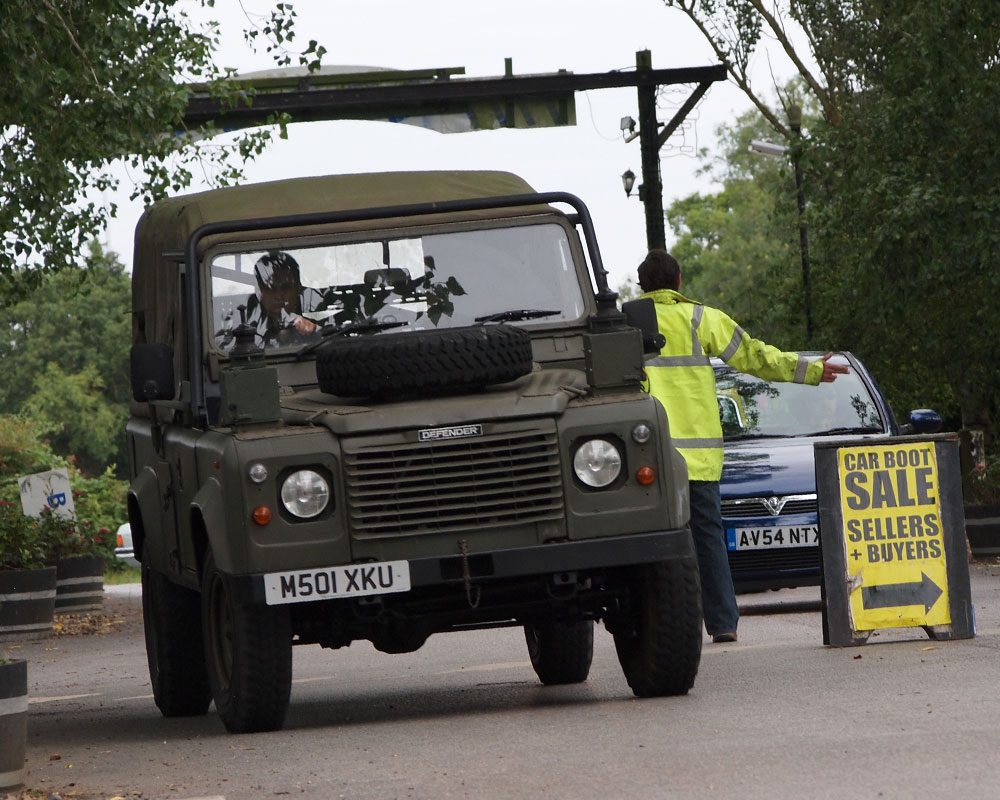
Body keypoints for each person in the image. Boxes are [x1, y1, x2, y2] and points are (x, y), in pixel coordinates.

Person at [636, 249, 848, 643]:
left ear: (641, 285)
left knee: (651, 544)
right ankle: (722, 624)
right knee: (709, 536)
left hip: (648, 459)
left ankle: (656, 627)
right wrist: (813, 370)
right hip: (698, 458)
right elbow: (755, 357)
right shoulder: (701, 318)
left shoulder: (626, 324)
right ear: (679, 282)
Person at [243, 251, 321, 346]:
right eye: (270, 288)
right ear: (259, 291)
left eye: (286, 287)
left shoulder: (317, 310)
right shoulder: (246, 319)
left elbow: (335, 338)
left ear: (298, 289)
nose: (279, 295)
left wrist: (314, 330)